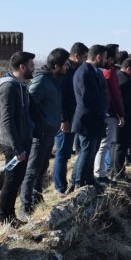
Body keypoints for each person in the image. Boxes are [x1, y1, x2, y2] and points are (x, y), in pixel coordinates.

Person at [21, 48, 69, 215]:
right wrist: (40, 124)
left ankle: (37, 197)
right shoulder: (41, 81)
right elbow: (31, 105)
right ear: (56, 66)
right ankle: (26, 207)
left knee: (42, 167)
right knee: (32, 169)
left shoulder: (53, 79)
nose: (67, 68)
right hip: (40, 133)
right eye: (65, 65)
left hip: (50, 131)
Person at [0, 51, 35, 227]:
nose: (33, 68)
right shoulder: (9, 87)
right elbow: (7, 120)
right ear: (22, 67)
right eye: (31, 65)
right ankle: (3, 218)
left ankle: (11, 217)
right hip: (13, 144)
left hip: (23, 140)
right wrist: (17, 147)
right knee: (11, 181)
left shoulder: (21, 85)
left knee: (17, 180)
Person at [72, 45, 109, 190]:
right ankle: (79, 183)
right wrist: (101, 112)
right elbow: (88, 99)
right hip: (87, 120)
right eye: (105, 57)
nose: (106, 60)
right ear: (99, 56)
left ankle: (88, 179)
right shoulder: (84, 72)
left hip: (95, 119)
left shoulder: (93, 72)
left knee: (91, 151)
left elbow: (101, 95)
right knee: (87, 151)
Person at [53, 42, 88, 196]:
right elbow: (61, 98)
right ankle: (59, 186)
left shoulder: (75, 70)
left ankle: (64, 183)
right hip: (65, 118)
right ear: (76, 56)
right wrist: (63, 119)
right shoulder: (65, 72)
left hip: (73, 116)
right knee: (62, 152)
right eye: (84, 57)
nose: (86, 60)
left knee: (66, 152)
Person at [95, 44, 124, 185]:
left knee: (104, 144)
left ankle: (100, 172)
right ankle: (99, 174)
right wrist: (120, 113)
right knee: (105, 144)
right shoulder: (110, 72)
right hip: (110, 113)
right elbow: (114, 94)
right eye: (117, 52)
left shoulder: (108, 70)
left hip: (108, 112)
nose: (119, 54)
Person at [112, 58, 131, 182]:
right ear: (128, 69)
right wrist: (121, 115)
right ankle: (118, 173)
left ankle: (116, 171)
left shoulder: (119, 77)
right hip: (123, 119)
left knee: (117, 146)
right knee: (120, 146)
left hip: (121, 117)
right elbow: (122, 102)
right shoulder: (125, 81)